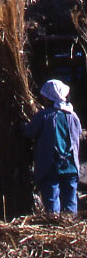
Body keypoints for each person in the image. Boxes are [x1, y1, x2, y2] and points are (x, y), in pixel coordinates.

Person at [24, 79, 83, 213]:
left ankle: (54, 229)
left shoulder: (44, 116)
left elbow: (29, 132)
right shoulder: (73, 116)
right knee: (70, 200)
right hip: (71, 166)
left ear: (48, 98)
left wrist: (22, 126)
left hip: (50, 166)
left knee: (52, 202)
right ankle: (70, 229)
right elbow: (78, 135)